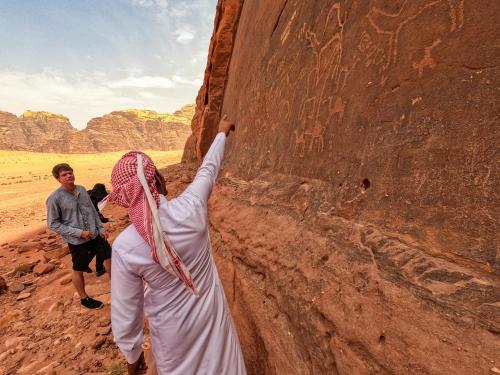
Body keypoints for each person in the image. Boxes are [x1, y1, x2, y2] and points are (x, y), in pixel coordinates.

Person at [107, 115, 246, 374]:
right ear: (157, 179)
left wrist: (133, 357)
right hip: (211, 321)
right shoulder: (191, 207)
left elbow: (127, 312)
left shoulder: (125, 246)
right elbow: (208, 169)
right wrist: (221, 133)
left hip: (173, 338)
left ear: (124, 198)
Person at [46, 163, 111, 309]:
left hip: (96, 235)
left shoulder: (81, 189)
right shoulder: (54, 198)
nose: (69, 175)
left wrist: (100, 228)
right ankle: (84, 299)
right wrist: (79, 233)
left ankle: (118, 288)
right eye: (64, 174)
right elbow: (53, 224)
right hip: (78, 241)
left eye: (70, 172)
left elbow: (92, 211)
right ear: (58, 178)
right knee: (79, 268)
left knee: (109, 257)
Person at [87, 183, 111, 276]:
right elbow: (96, 215)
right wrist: (105, 220)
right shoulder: (93, 200)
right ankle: (99, 269)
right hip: (92, 228)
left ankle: (92, 267)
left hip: (86, 228)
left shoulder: (88, 194)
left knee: (95, 248)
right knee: (104, 248)